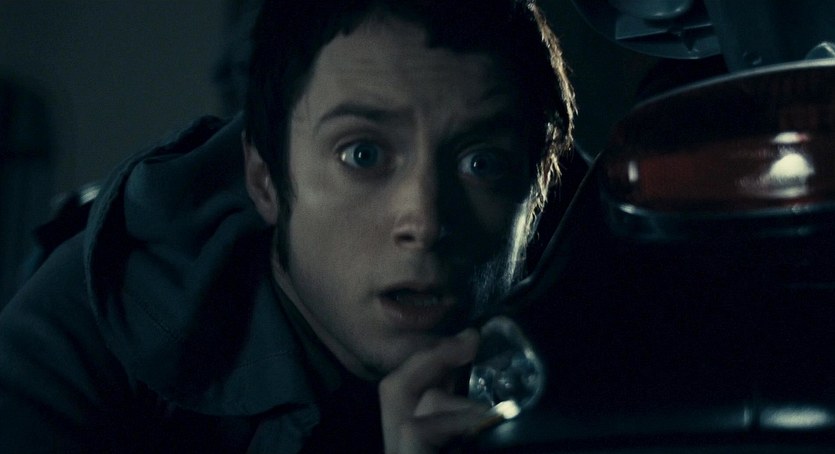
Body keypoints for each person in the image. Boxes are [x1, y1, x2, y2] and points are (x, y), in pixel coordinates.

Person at [0, 0, 575, 452]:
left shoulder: (591, 310)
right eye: (363, 155)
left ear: (538, 195)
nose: (425, 222)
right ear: (265, 181)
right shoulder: (92, 334)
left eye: (483, 164)